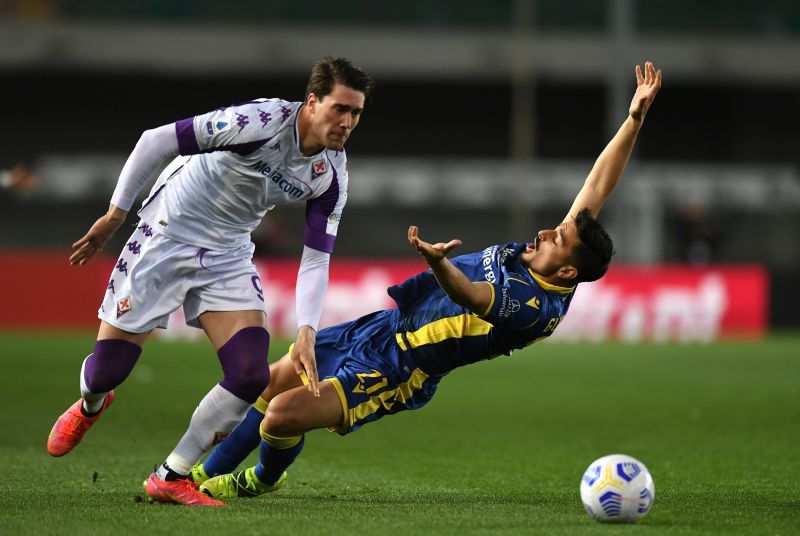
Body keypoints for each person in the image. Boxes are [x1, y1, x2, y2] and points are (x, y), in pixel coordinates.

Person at [192, 62, 663, 502]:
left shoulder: (536, 307)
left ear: (567, 271)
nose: (544, 232)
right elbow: (597, 188)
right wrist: (634, 119)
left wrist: (440, 264)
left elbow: (472, 295)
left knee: (281, 416)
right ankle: (200, 477)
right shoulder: (552, 256)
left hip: (400, 368)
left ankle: (260, 479)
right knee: (270, 383)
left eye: (556, 238)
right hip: (380, 327)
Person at [46, 57, 375, 507]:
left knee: (249, 373)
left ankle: (170, 475)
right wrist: (114, 215)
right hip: (168, 231)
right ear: (312, 101)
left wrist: (306, 330)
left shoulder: (331, 176)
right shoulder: (260, 121)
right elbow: (157, 140)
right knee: (108, 371)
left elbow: (316, 258)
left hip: (228, 252)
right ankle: (90, 403)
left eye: (356, 113)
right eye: (340, 108)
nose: (347, 122)